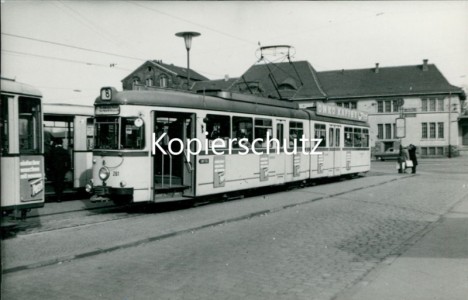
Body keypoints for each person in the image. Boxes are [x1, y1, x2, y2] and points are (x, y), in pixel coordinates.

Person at [49, 138, 71, 202]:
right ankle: (59, 197)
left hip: (54, 170)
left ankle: (57, 196)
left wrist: (51, 169)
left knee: (56, 183)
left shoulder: (53, 151)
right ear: (61, 143)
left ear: (56, 143)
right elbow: (69, 162)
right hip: (62, 170)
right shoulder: (65, 151)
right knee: (60, 183)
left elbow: (50, 161)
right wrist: (66, 169)